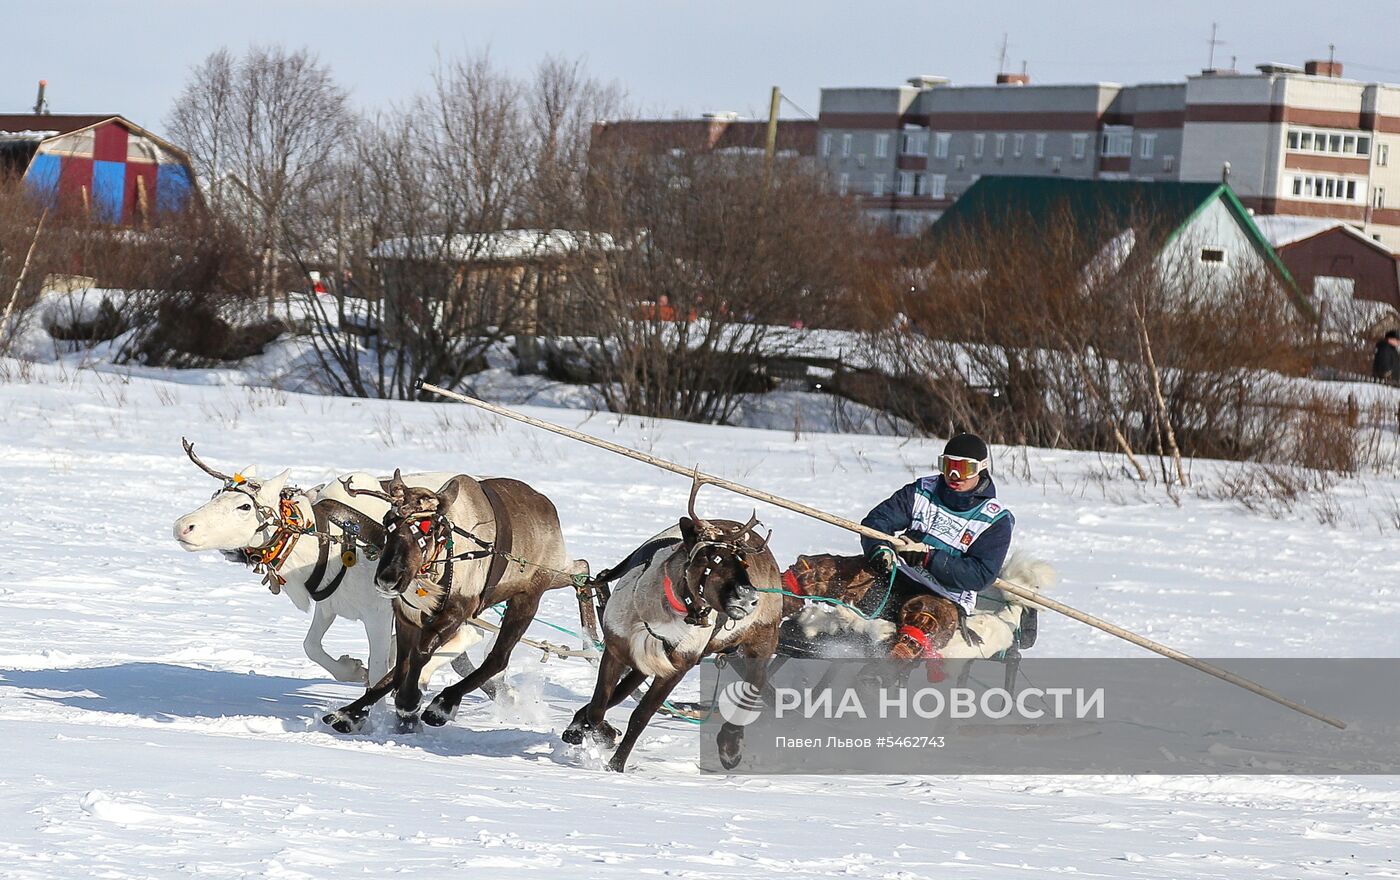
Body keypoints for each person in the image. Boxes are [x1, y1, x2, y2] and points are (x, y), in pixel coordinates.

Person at [860, 432, 1015, 659]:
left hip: (945, 596)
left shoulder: (995, 520)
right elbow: (877, 522)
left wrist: (929, 558)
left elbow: (981, 575)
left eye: (963, 469)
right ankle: (794, 628)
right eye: (948, 465)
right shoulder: (922, 490)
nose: (953, 475)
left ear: (981, 469)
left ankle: (880, 676)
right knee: (832, 573)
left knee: (920, 624)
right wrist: (879, 549)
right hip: (900, 575)